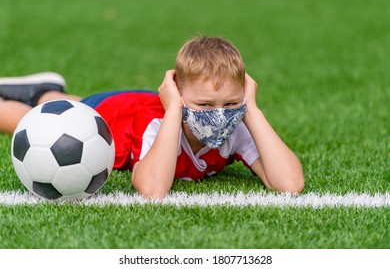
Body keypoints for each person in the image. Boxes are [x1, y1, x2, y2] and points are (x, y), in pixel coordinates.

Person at [0, 36, 304, 198]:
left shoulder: (235, 123)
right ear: (177, 96)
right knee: (32, 120)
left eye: (231, 102)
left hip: (136, 104)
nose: (219, 114)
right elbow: (152, 189)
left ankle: (44, 90)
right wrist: (173, 111)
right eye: (205, 105)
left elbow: (289, 183)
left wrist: (251, 108)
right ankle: (39, 97)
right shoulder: (159, 122)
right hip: (112, 113)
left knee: (64, 100)